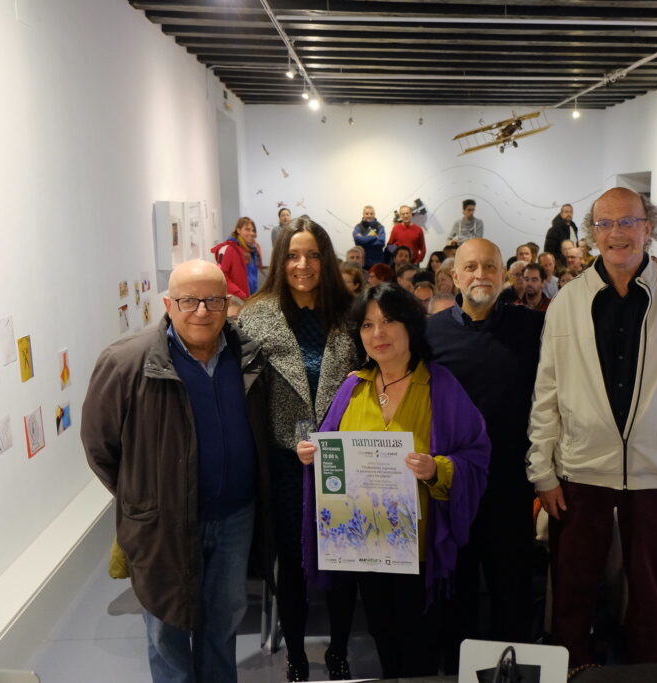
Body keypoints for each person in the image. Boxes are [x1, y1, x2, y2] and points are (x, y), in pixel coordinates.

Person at [527, 187, 657, 667]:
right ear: (592, 234)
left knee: (653, 587)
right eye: (605, 224)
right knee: (573, 583)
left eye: (628, 222)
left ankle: (648, 670)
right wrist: (543, 472)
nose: (617, 234)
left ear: (648, 227)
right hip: (581, 467)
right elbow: (546, 393)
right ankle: (572, 665)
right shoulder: (568, 302)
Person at [81, 260, 272, 683]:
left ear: (228, 304)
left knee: (223, 625)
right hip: (161, 523)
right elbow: (100, 446)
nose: (201, 310)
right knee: (165, 631)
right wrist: (143, 495)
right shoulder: (125, 364)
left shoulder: (248, 356)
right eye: (189, 300)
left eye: (213, 300)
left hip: (235, 519)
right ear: (169, 304)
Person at [296, 283, 490, 679]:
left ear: (411, 327)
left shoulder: (440, 386)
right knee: (382, 636)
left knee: (420, 647)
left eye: (388, 321)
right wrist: (312, 457)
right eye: (367, 325)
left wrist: (438, 469)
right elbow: (331, 458)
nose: (377, 334)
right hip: (366, 547)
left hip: (418, 551)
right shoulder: (352, 387)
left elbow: (477, 454)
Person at [238, 217, 359, 682]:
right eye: (292, 255)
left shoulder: (350, 312)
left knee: (341, 559)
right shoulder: (257, 313)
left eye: (311, 255)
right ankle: (296, 656)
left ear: (324, 259)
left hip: (341, 457)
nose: (302, 265)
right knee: (291, 561)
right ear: (279, 260)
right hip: (285, 458)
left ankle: (340, 651)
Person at [426, 238, 544, 668]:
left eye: (490, 267)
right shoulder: (430, 333)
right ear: (454, 277)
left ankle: (511, 672)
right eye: (471, 267)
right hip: (451, 487)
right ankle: (458, 671)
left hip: (511, 483)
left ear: (505, 275)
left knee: (511, 592)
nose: (481, 275)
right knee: (454, 596)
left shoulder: (532, 329)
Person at [211, 217, 263, 301]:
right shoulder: (230, 249)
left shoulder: (253, 250)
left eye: (253, 230)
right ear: (238, 230)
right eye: (247, 229)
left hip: (251, 298)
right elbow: (222, 277)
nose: (251, 233)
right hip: (238, 299)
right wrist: (241, 295)